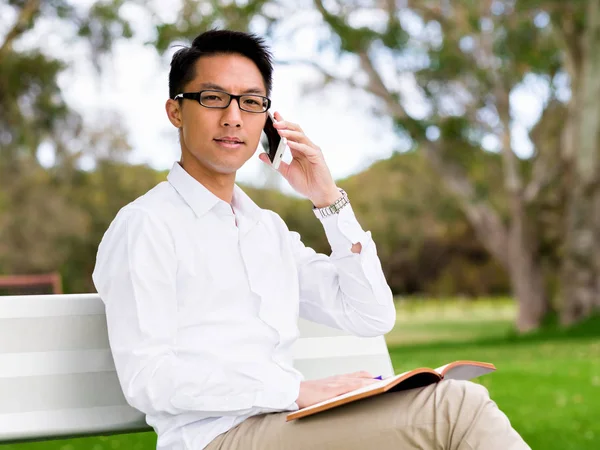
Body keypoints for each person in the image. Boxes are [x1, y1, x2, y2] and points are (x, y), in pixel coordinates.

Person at [92, 29, 530, 450]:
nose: (233, 117)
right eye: (212, 98)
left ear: (267, 119)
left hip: (288, 426)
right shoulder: (145, 226)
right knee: (456, 409)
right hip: (214, 438)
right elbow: (148, 378)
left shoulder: (267, 230)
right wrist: (294, 390)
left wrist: (327, 198)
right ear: (176, 111)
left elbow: (371, 315)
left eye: (250, 102)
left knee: (451, 408)